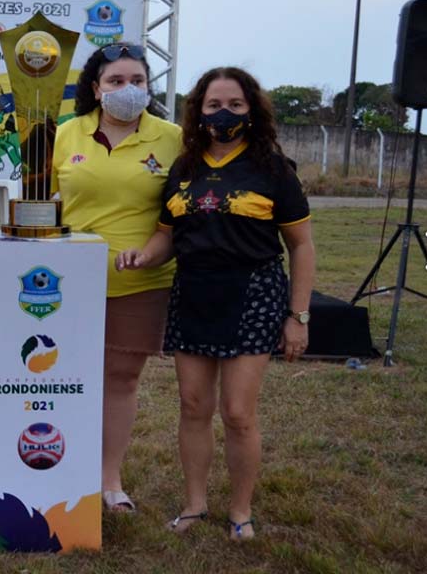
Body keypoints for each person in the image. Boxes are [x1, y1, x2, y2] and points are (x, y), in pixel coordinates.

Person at [116, 67, 315, 540]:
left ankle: (240, 512)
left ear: (253, 110)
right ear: (198, 111)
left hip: (253, 295)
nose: (223, 114)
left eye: (235, 105)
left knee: (238, 412)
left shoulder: (273, 169)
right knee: (192, 405)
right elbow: (166, 236)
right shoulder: (184, 168)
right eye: (213, 106)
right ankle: (194, 505)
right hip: (193, 293)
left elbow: (301, 247)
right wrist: (143, 256)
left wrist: (298, 316)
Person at [50, 43, 182, 513]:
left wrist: (150, 254)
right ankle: (61, 466)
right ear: (95, 88)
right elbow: (43, 207)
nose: (128, 90)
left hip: (142, 283)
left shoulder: (173, 138)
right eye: (116, 82)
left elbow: (178, 212)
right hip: (66, 284)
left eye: (138, 81)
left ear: (150, 87)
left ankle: (109, 479)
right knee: (65, 377)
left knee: (122, 379)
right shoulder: (65, 134)